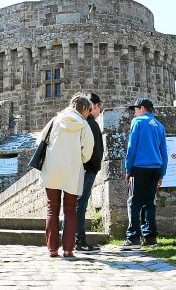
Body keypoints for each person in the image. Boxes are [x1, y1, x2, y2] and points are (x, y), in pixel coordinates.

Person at [39, 92, 94, 257]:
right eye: (88, 111)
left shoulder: (55, 120)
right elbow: (88, 150)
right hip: (71, 171)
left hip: (52, 170)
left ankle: (52, 249)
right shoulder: (83, 125)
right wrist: (79, 159)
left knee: (52, 209)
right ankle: (69, 249)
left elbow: (40, 140)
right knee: (70, 210)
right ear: (83, 108)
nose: (88, 114)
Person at [119, 98, 168, 250]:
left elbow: (132, 147)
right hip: (155, 168)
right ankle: (150, 237)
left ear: (142, 108)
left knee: (133, 202)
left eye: (136, 109)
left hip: (140, 167)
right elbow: (164, 152)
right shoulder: (159, 126)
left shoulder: (138, 122)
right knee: (149, 202)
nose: (134, 112)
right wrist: (162, 173)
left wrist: (128, 168)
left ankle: (133, 237)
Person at [75, 93, 104, 253]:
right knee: (80, 205)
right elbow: (91, 149)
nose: (100, 110)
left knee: (76, 205)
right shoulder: (89, 123)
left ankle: (72, 240)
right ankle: (79, 241)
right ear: (93, 106)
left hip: (84, 169)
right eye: (100, 106)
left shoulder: (84, 122)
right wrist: (94, 166)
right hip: (87, 170)